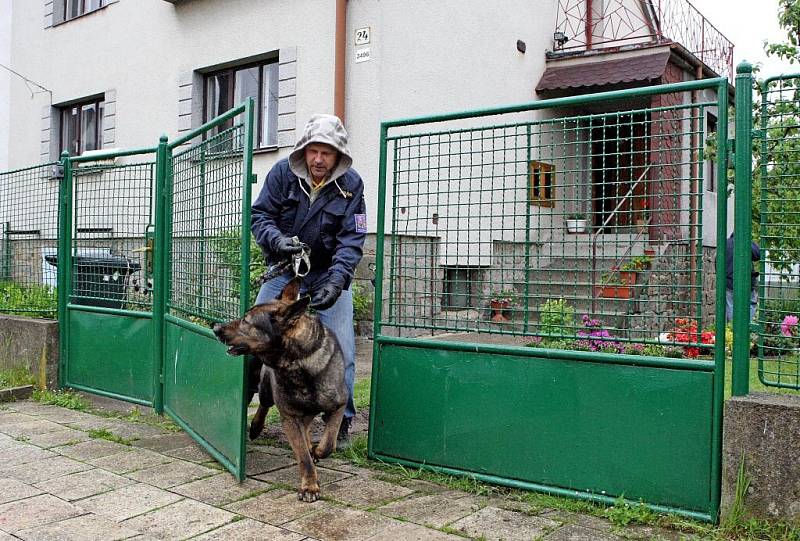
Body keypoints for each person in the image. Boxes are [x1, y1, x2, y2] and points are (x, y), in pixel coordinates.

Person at [250, 114, 367, 445]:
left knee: (342, 348)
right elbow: (260, 216)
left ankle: (340, 422)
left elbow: (352, 239)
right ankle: (241, 400)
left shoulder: (352, 185)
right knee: (254, 332)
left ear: (338, 156)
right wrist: (277, 240)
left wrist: (338, 280)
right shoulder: (282, 174)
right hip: (287, 269)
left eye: (326, 153)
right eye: (313, 151)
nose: (318, 159)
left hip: (330, 274)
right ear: (304, 150)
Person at [725, 231, 761, 322]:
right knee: (750, 304)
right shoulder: (746, 243)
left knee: (731, 306)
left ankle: (732, 330)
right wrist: (749, 241)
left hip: (729, 282)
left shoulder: (725, 243)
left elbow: (717, 262)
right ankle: (746, 327)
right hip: (746, 283)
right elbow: (758, 254)